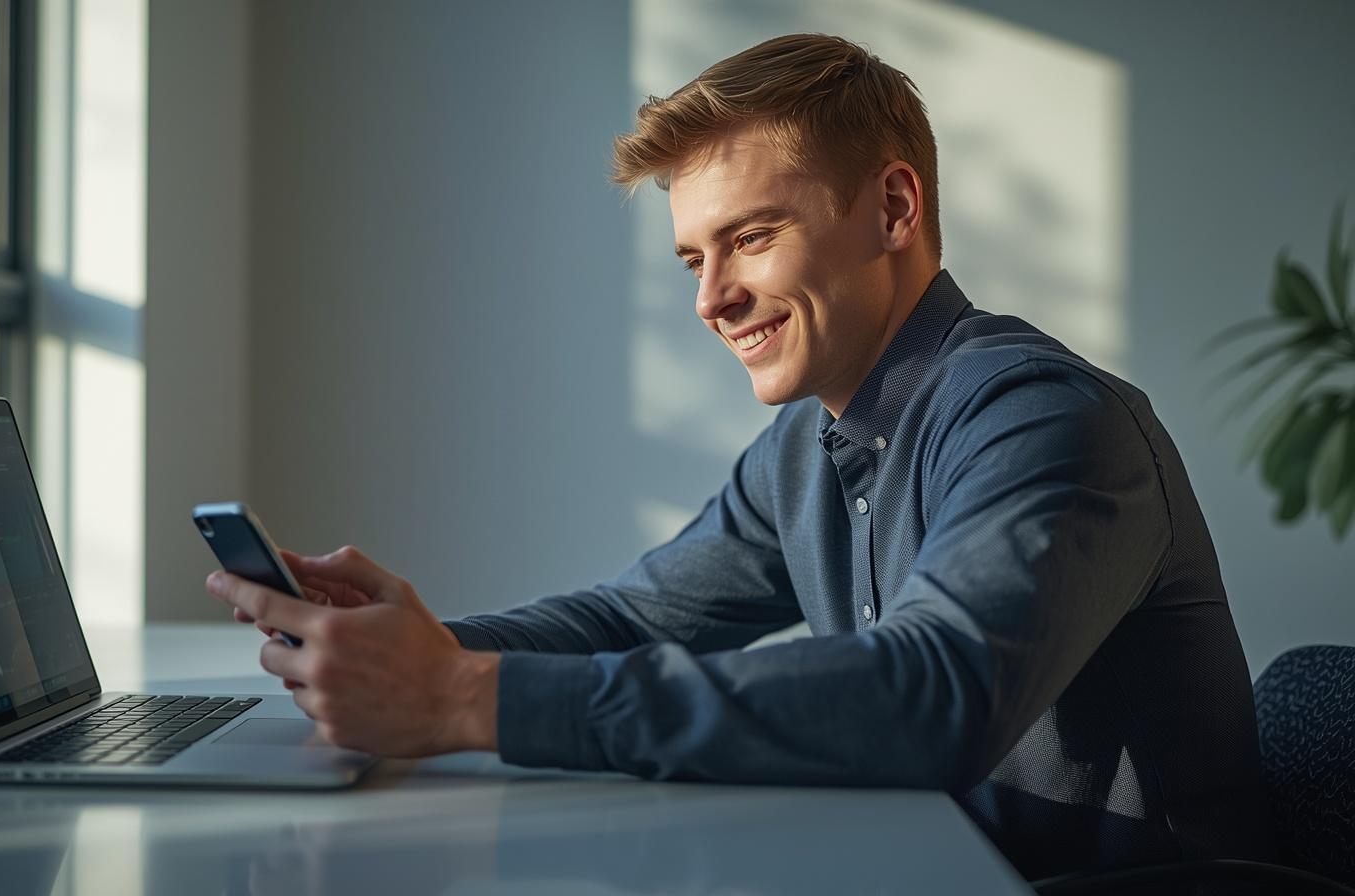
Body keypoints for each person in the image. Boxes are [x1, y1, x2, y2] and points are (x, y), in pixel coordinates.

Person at [207, 33, 1273, 880]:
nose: (710, 298)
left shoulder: (1042, 418)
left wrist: (458, 696)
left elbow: (929, 696)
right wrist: (412, 644)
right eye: (692, 256)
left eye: (750, 238)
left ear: (892, 208)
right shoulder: (809, 444)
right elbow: (635, 616)